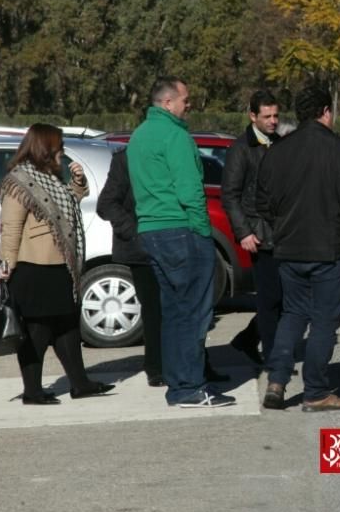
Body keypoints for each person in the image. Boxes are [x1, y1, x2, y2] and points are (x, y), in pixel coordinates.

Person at [257, 83, 340, 412]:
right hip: (332, 249)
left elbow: (262, 202)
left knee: (292, 315)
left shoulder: (277, 151)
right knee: (324, 320)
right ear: (326, 111)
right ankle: (316, 391)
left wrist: (280, 227)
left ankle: (277, 381)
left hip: (289, 248)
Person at [127, 77, 235, 408]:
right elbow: (190, 190)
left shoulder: (139, 136)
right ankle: (189, 386)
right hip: (181, 229)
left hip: (152, 230)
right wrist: (203, 231)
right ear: (167, 102)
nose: (189, 104)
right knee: (194, 312)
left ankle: (178, 383)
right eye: (185, 99)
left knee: (173, 311)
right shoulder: (175, 135)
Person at [0, 123, 114, 405]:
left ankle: (80, 384)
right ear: (45, 148)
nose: (62, 152)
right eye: (59, 146)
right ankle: (33, 391)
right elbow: (10, 227)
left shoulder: (48, 178)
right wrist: (6, 263)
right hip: (33, 267)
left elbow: (66, 207)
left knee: (67, 327)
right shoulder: (19, 181)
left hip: (59, 265)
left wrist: (78, 183)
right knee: (37, 331)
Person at [97, 148, 228, 388]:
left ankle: (197, 364)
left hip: (177, 242)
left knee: (188, 308)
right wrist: (136, 233)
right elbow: (106, 204)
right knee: (155, 310)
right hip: (143, 249)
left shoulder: (176, 154)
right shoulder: (127, 158)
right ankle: (156, 367)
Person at [221, 90, 282, 366]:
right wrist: (243, 231)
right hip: (258, 235)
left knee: (284, 297)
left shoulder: (280, 143)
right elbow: (230, 195)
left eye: (276, 115)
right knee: (270, 299)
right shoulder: (240, 149)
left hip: (282, 233)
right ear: (252, 116)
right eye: (267, 116)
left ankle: (247, 339)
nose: (273, 121)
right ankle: (272, 356)